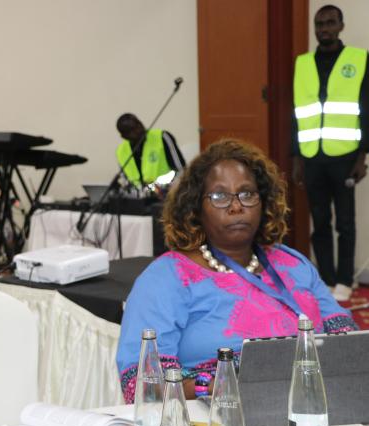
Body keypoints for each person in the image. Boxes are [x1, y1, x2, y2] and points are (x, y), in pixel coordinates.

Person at [116, 139, 356, 404]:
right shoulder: (165, 277)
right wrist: (220, 383)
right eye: (219, 196)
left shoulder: (292, 263)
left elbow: (347, 341)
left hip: (315, 405)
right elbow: (142, 384)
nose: (236, 206)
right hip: (218, 415)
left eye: (247, 194)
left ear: (264, 202)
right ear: (195, 208)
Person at [292, 4, 369, 302]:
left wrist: (363, 156)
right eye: (319, 24)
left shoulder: (358, 59)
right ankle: (325, 278)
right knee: (320, 221)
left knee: (345, 223)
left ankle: (344, 279)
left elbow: (366, 110)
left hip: (345, 156)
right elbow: (296, 113)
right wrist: (296, 158)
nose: (323, 29)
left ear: (341, 26)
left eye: (329, 23)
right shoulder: (302, 64)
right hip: (312, 157)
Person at [115, 113, 185, 189]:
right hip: (139, 194)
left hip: (167, 190)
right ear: (124, 136)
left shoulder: (162, 137)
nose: (139, 129)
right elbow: (125, 181)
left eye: (138, 124)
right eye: (132, 130)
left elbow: (181, 170)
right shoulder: (121, 151)